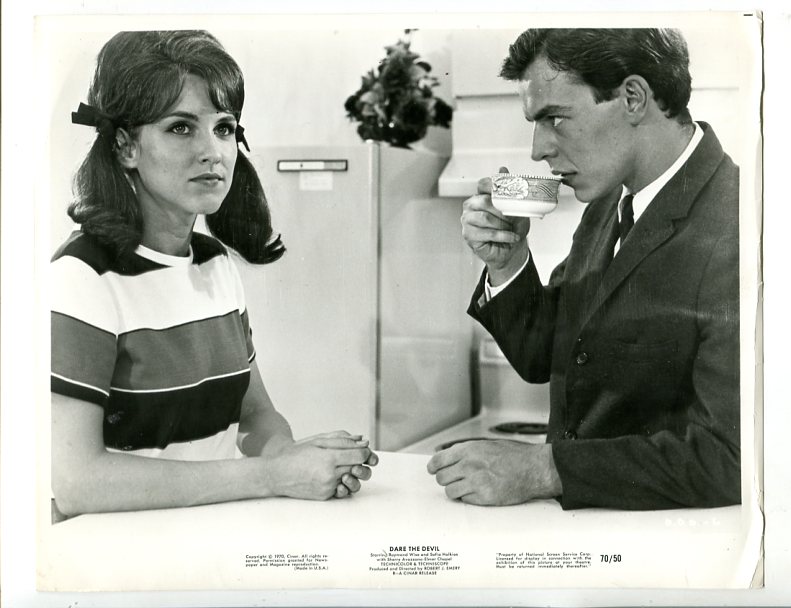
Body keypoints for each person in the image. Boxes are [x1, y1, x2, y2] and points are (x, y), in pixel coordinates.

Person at [50, 30, 377, 518]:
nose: (213, 151)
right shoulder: (82, 277)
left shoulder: (214, 263)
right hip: (118, 550)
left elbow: (256, 414)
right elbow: (77, 482)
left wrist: (291, 457)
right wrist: (271, 476)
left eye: (224, 128)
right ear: (125, 147)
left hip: (211, 533)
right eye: (181, 128)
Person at [427, 28, 741, 510]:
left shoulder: (742, 220)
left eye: (555, 118)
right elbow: (547, 356)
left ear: (633, 98)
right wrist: (507, 261)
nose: (538, 150)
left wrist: (544, 468)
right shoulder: (609, 203)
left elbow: (731, 460)